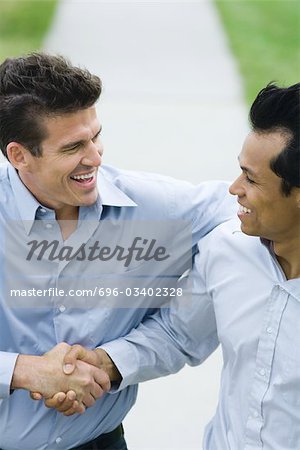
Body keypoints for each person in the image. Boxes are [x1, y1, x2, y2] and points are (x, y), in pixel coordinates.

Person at [0, 53, 235, 450]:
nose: (94, 157)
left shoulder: (153, 207)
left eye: (95, 136)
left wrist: (116, 360)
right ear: (19, 155)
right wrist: (22, 371)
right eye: (73, 146)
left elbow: (247, 215)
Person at [50, 83, 300, 449]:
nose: (233, 189)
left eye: (251, 179)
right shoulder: (228, 248)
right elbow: (178, 333)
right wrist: (103, 364)